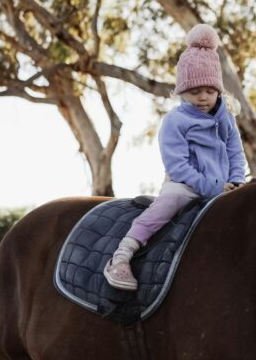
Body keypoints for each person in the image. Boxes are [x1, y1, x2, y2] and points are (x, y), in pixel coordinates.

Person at [103, 24, 247, 291]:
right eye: (194, 91)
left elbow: (235, 151)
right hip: (185, 186)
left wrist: (237, 182)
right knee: (165, 207)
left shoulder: (226, 117)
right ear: (181, 91)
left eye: (209, 90)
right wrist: (213, 187)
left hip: (226, 187)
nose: (203, 97)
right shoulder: (175, 121)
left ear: (219, 89)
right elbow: (178, 166)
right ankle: (122, 255)